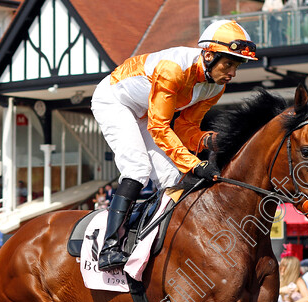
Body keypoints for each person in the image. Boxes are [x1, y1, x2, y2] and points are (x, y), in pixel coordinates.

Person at [91, 19, 255, 270]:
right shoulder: (172, 69)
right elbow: (159, 127)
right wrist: (195, 165)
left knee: (171, 178)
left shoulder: (215, 87)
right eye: (229, 63)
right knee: (137, 168)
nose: (232, 73)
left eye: (237, 66)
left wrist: (210, 140)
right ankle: (109, 248)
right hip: (115, 102)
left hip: (146, 112)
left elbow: (184, 128)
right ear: (209, 55)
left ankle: (154, 242)